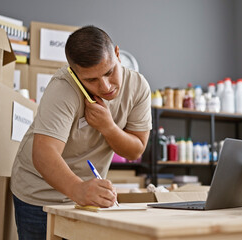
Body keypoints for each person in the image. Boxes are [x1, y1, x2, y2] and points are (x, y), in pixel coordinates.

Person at [10, 25, 152, 239]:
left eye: (109, 72)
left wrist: (108, 127)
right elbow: (44, 153)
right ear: (74, 72)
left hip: (86, 198)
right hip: (38, 194)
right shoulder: (63, 89)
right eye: (91, 80)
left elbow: (135, 151)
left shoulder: (139, 87)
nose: (105, 87)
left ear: (116, 54)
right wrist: (78, 190)